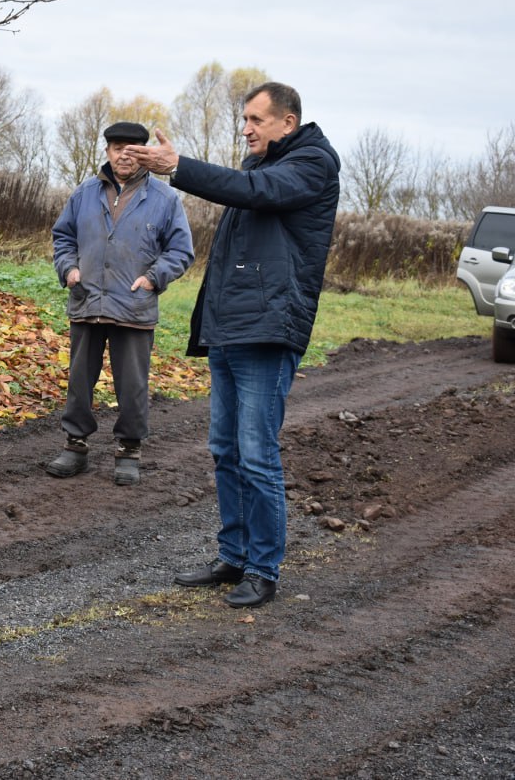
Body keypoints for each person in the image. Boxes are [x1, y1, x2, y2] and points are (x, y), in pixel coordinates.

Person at [126, 81, 341, 608]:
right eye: (244, 120)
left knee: (257, 454)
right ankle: (234, 555)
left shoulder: (312, 164)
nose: (245, 129)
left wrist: (178, 167)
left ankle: (263, 568)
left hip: (268, 331)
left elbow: (259, 194)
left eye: (255, 120)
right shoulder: (257, 168)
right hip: (231, 328)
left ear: (287, 123)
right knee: (225, 450)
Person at [45, 121, 193, 486]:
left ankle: (129, 449)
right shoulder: (84, 193)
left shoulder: (165, 199)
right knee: (80, 381)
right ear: (107, 151)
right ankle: (75, 446)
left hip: (134, 304)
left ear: (143, 152)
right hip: (87, 300)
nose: (123, 154)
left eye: (132, 148)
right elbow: (63, 236)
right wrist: (69, 270)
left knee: (133, 384)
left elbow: (181, 250)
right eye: (116, 147)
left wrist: (154, 277)